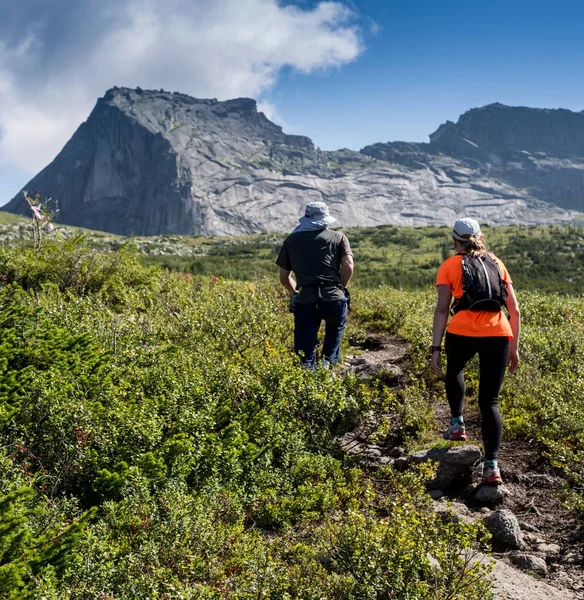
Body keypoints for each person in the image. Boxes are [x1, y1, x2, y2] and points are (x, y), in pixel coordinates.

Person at [431, 217, 521, 485]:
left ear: (454, 240)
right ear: (480, 237)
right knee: (490, 402)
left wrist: (435, 347)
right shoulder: (497, 263)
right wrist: (513, 348)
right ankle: (492, 466)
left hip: (462, 331)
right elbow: (514, 309)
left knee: (455, 369)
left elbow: (442, 309)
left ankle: (457, 424)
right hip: (499, 333)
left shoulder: (449, 265)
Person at [276, 202, 354, 369]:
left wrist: (295, 292)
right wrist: (340, 287)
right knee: (335, 330)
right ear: (326, 219)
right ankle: (328, 365)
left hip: (307, 300)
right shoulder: (339, 237)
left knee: (305, 345)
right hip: (334, 296)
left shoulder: (292, 240)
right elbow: (348, 266)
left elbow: (284, 278)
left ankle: (308, 375)